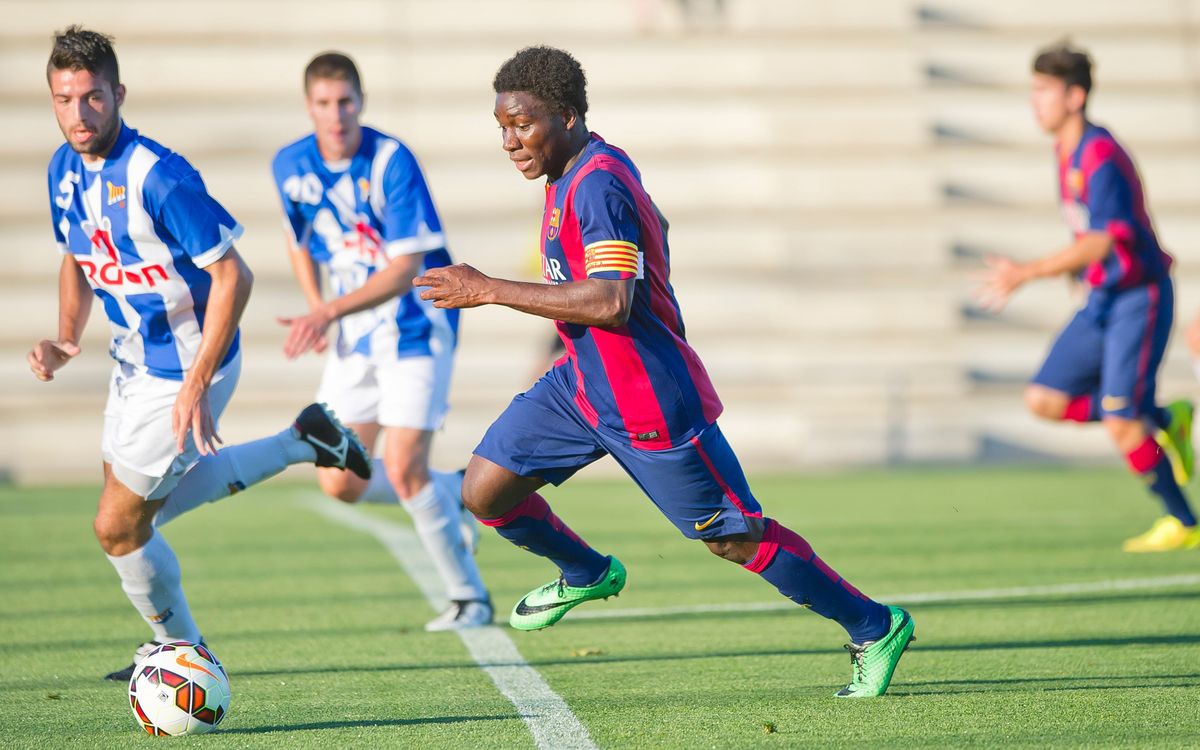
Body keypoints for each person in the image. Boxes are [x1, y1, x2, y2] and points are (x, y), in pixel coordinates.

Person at [415, 46, 915, 697]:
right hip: (581, 387)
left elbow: (612, 301)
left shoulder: (594, 183)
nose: (510, 141)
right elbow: (654, 232)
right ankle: (587, 571)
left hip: (647, 400)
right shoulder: (578, 169)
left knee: (735, 539)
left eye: (523, 125)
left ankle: (873, 625)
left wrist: (487, 288)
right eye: (501, 127)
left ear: (567, 115)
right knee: (484, 491)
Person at [31, 26, 373, 681]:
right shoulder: (62, 169)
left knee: (117, 528)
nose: (79, 114)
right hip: (134, 365)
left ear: (118, 93)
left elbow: (233, 275)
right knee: (134, 515)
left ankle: (184, 658)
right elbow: (74, 258)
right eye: (64, 99)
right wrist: (67, 337)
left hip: (190, 366)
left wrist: (195, 383)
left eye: (93, 97)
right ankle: (305, 439)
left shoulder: (159, 176)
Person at [271, 52, 492, 631]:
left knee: (401, 464)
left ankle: (470, 598)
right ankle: (450, 494)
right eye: (323, 103)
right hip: (355, 333)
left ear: (361, 102)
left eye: (345, 101)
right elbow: (300, 240)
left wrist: (324, 311)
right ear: (308, 106)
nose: (335, 114)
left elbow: (405, 268)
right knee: (340, 480)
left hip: (418, 324)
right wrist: (321, 309)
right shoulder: (289, 165)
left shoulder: (391, 159)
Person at [977, 42, 1199, 552]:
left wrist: (1028, 272)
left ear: (1074, 96)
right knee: (1045, 400)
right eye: (1032, 90)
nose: (1035, 102)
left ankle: (1184, 521)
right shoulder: (1065, 149)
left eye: (1044, 91)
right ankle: (1165, 418)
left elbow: (1102, 239)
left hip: (1136, 299)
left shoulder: (1099, 152)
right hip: (1102, 300)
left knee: (1122, 423)